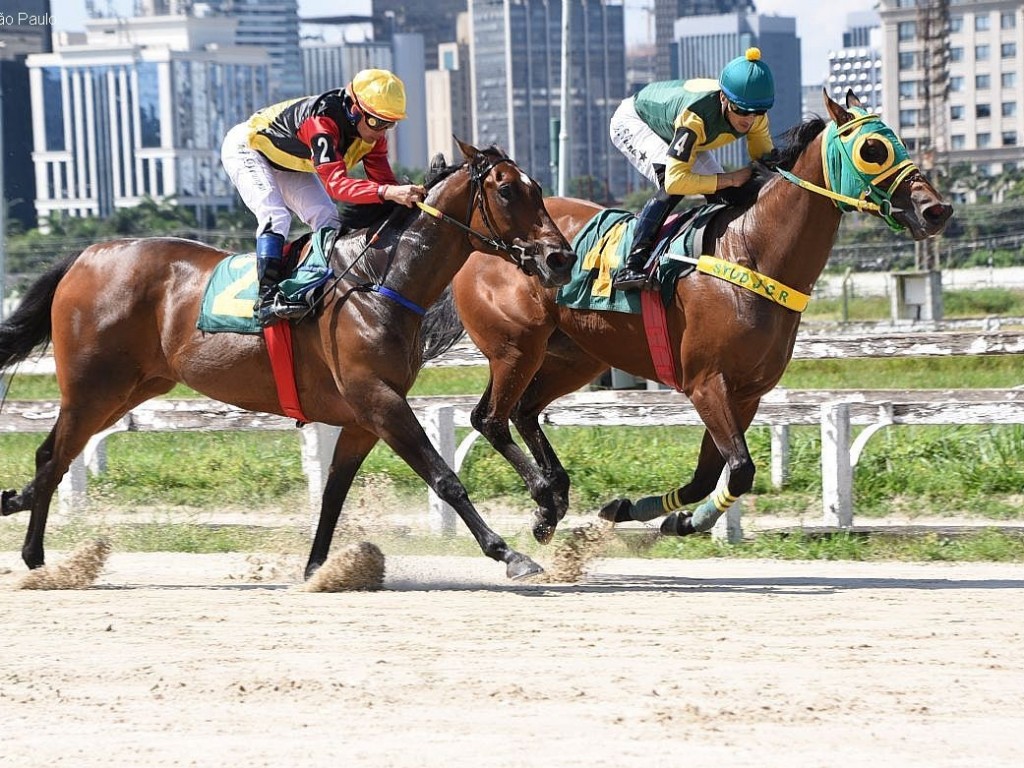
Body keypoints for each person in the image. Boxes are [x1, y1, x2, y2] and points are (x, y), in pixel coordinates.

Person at [221, 68, 427, 325]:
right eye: (376, 122)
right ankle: (266, 298)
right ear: (355, 110)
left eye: (390, 123)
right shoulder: (322, 124)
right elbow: (337, 186)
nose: (382, 131)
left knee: (328, 220)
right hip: (248, 148)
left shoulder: (374, 138)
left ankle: (315, 285)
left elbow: (383, 185)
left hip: (290, 162)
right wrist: (388, 192)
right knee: (275, 215)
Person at [609, 47, 776, 291]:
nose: (748, 120)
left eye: (757, 112)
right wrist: (729, 178)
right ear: (723, 98)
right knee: (670, 185)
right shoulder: (695, 118)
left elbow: (765, 163)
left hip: (675, 129)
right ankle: (631, 266)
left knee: (727, 196)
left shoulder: (755, 115)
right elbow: (677, 182)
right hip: (636, 122)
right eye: (740, 110)